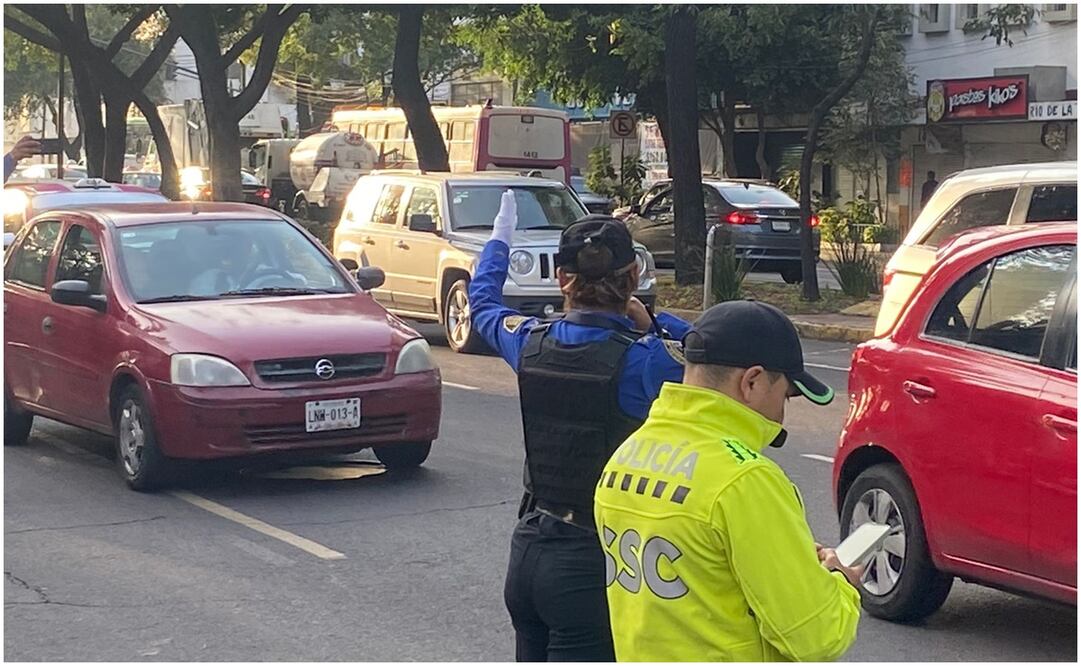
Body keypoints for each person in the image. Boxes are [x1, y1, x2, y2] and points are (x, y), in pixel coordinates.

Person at [469, 191, 692, 662]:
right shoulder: (646, 360)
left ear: (560, 278)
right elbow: (718, 351)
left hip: (529, 548)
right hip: (593, 565)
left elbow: (483, 302)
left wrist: (500, 241)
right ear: (634, 275)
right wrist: (656, 320)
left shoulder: (528, 342)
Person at [594, 300, 863, 662]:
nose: (782, 414)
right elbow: (817, 635)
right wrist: (840, 581)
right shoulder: (746, 479)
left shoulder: (628, 454)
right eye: (784, 394)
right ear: (751, 381)